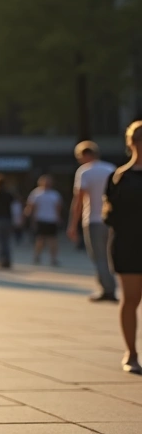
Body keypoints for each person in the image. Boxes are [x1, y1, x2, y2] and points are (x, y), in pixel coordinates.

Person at [105, 121, 142, 374]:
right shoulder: (119, 176)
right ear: (132, 144)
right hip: (128, 243)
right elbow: (110, 214)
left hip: (128, 240)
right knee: (131, 299)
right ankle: (131, 353)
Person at [70, 141, 118, 302]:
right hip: (111, 220)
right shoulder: (111, 169)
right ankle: (109, 287)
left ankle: (109, 289)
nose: (79, 160)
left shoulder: (85, 172)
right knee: (109, 255)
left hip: (93, 219)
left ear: (86, 154)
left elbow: (79, 200)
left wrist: (72, 224)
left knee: (99, 256)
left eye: (79, 156)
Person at [25, 175, 63, 266]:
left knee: (52, 240)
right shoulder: (36, 193)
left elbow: (58, 207)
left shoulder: (55, 194)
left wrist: (58, 218)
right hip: (40, 219)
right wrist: (31, 218)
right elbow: (31, 207)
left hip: (51, 219)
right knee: (40, 240)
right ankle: (37, 256)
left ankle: (53, 258)